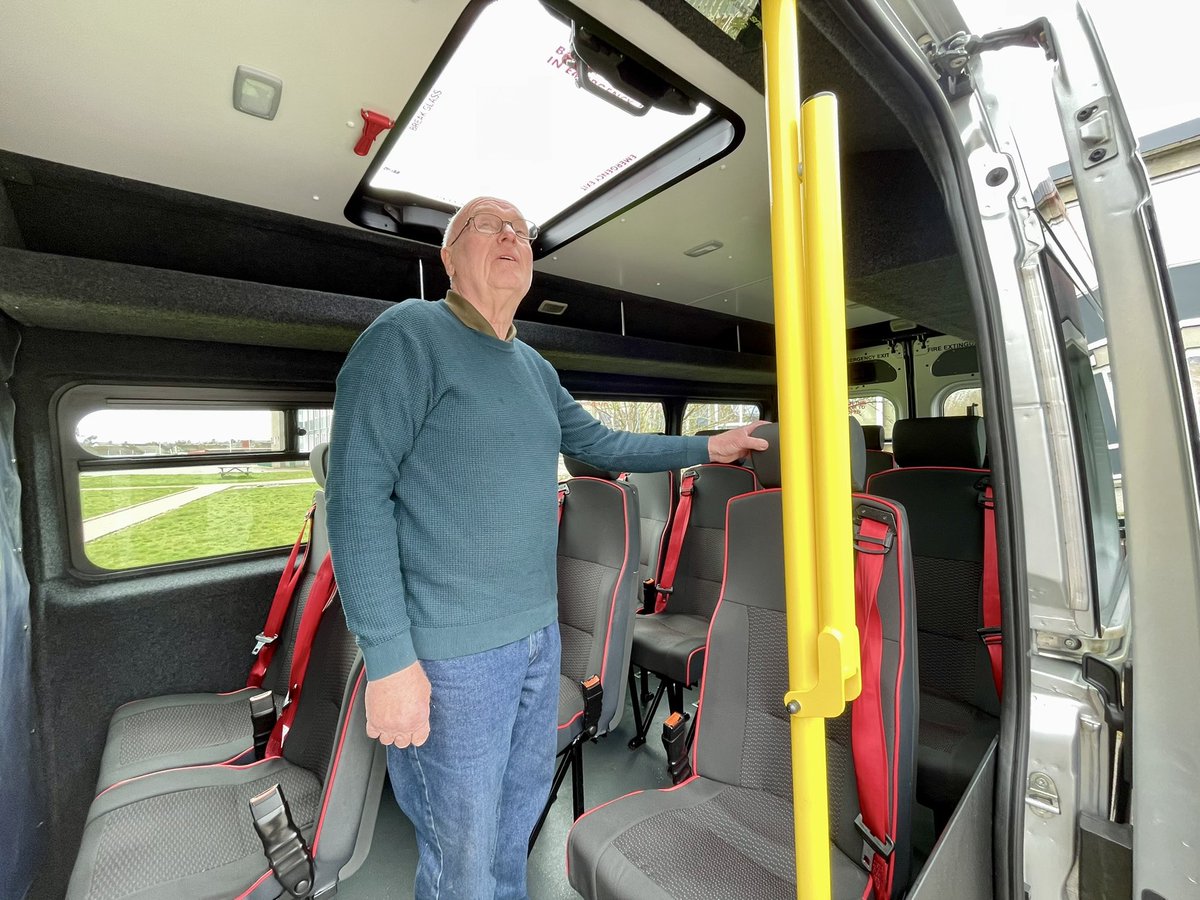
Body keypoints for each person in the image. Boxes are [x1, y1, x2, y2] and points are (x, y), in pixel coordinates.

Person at [325, 196, 767, 899]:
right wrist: (389, 662)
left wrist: (707, 444)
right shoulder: (406, 336)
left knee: (515, 829)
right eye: (488, 226)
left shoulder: (532, 368)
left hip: (538, 640)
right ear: (447, 256)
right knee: (459, 855)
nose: (510, 238)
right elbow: (354, 501)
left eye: (521, 232)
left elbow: (603, 443)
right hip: (451, 656)